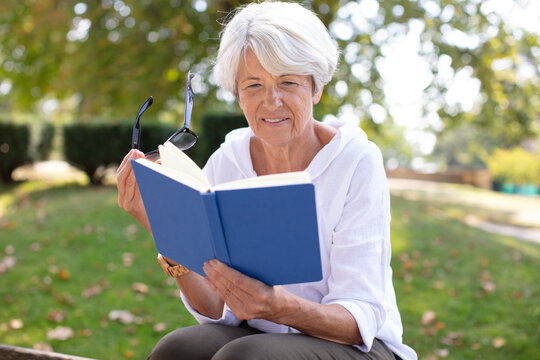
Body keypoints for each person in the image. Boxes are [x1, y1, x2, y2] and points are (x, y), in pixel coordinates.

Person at [116, 2, 417, 359]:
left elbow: (358, 320)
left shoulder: (355, 162)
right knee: (178, 349)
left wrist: (277, 306)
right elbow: (214, 308)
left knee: (247, 357)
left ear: (315, 88)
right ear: (238, 93)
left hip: (360, 348)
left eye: (287, 82)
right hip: (259, 335)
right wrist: (164, 228)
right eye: (254, 85)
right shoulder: (226, 163)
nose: (271, 101)